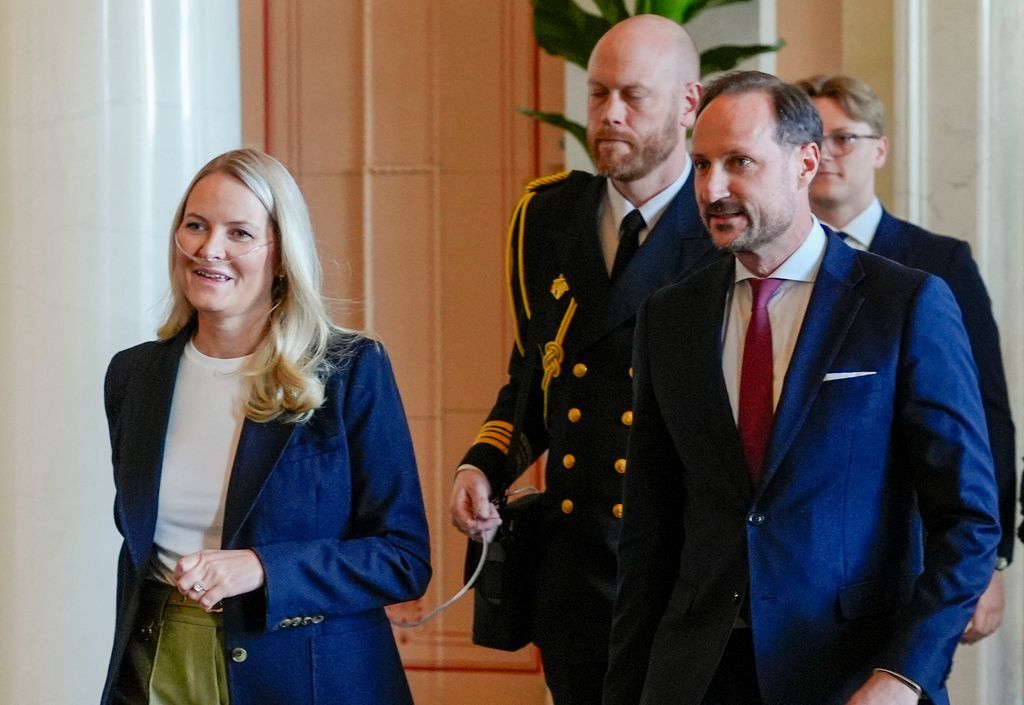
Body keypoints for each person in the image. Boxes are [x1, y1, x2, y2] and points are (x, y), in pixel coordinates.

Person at [603, 71, 999, 705]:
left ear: (805, 162)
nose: (714, 188)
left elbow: (969, 520)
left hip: (852, 677)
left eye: (739, 162)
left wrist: (904, 675)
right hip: (697, 676)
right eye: (702, 165)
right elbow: (649, 533)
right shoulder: (669, 317)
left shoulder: (904, 304)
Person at [448, 14, 716, 704]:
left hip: (685, 578)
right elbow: (537, 375)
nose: (610, 115)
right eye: (598, 94)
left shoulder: (723, 226)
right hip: (576, 580)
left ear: (689, 103)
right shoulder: (546, 216)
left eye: (633, 96)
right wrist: (484, 462)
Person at [101, 148, 431, 705]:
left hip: (304, 678)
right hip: (155, 662)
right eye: (196, 226)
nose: (211, 249)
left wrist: (261, 568)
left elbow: (403, 558)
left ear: (281, 256)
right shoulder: (134, 375)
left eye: (240, 233)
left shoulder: (350, 370)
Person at [796, 74, 1016, 644]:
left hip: (912, 546)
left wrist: (988, 560)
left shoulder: (938, 262)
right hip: (798, 560)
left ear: (880, 149)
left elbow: (986, 412)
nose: (828, 155)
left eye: (844, 138)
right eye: (814, 138)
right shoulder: (768, 265)